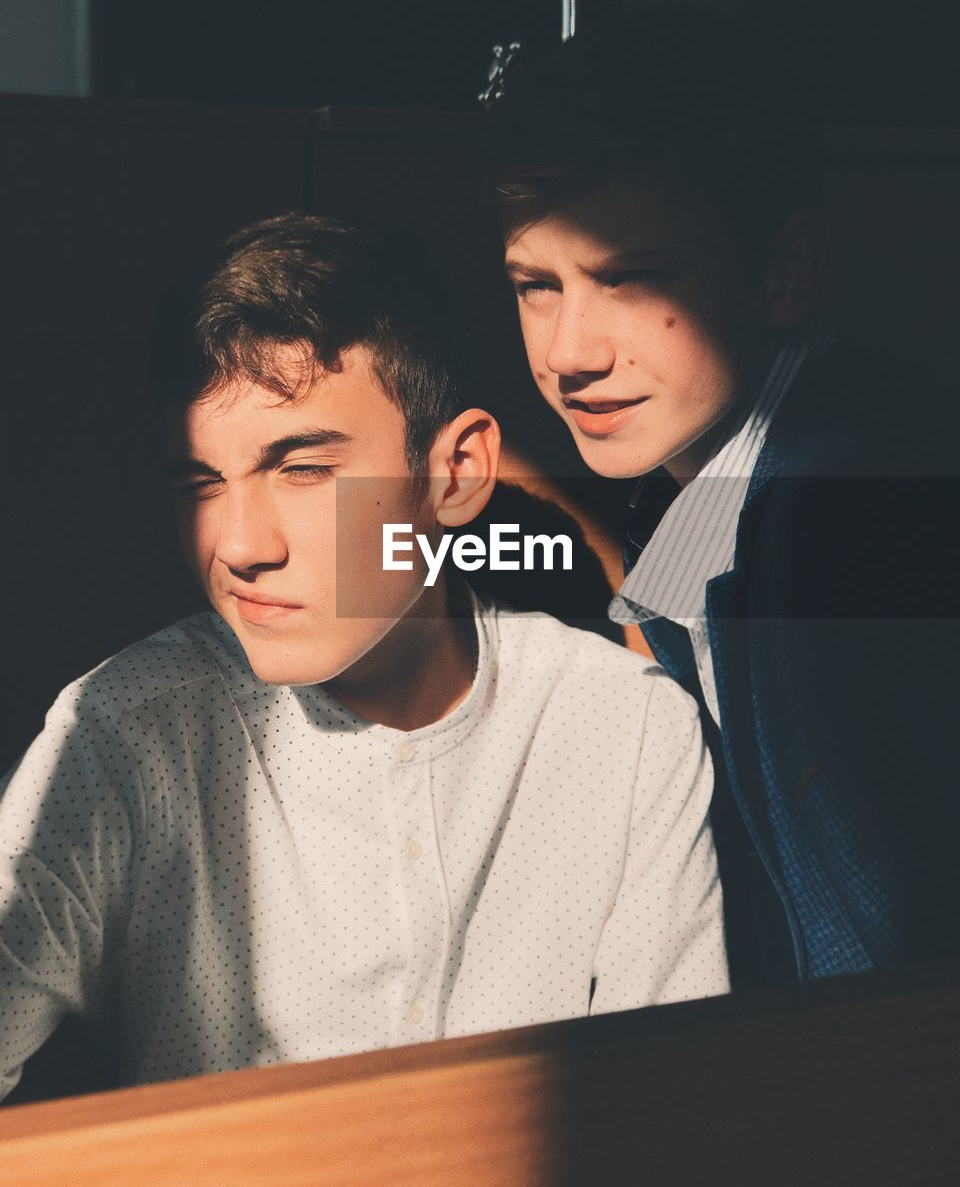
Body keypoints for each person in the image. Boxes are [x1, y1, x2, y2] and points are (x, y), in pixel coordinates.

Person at [0, 212, 726, 1100]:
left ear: (455, 474)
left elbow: (683, 1114)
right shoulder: (125, 736)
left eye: (302, 469)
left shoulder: (626, 727)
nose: (238, 545)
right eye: (202, 482)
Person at [483, 9, 960, 986]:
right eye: (537, 286)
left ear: (783, 274)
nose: (571, 352)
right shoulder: (723, 488)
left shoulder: (861, 513)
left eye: (630, 279)